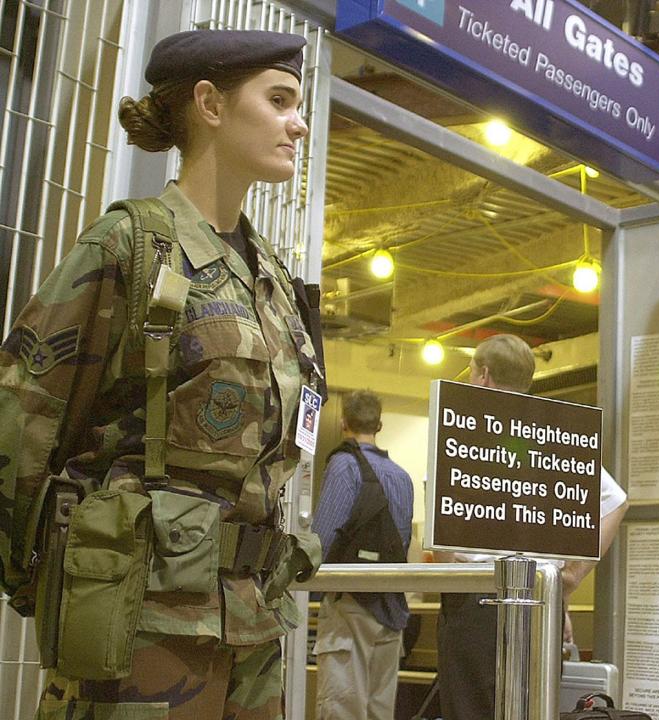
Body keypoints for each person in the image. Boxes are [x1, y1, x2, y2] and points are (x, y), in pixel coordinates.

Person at [0, 29, 325, 719]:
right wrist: (46, 582)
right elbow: (21, 417)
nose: (299, 123)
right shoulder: (132, 246)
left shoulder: (270, 277)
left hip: (253, 623)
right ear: (210, 103)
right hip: (143, 627)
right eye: (279, 100)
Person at [434, 333, 629, 720]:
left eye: (471, 372)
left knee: (472, 709)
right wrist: (570, 577)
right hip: (542, 599)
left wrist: (448, 576)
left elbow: (444, 528)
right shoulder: (553, 434)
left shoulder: (464, 429)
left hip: (477, 598)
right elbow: (616, 500)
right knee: (531, 708)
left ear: (483, 376)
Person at [311, 390, 414, 720]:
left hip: (351, 607)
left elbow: (322, 540)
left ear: (343, 423)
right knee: (378, 711)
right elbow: (402, 539)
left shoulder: (344, 465)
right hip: (390, 609)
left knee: (341, 707)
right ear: (379, 424)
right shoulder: (401, 476)